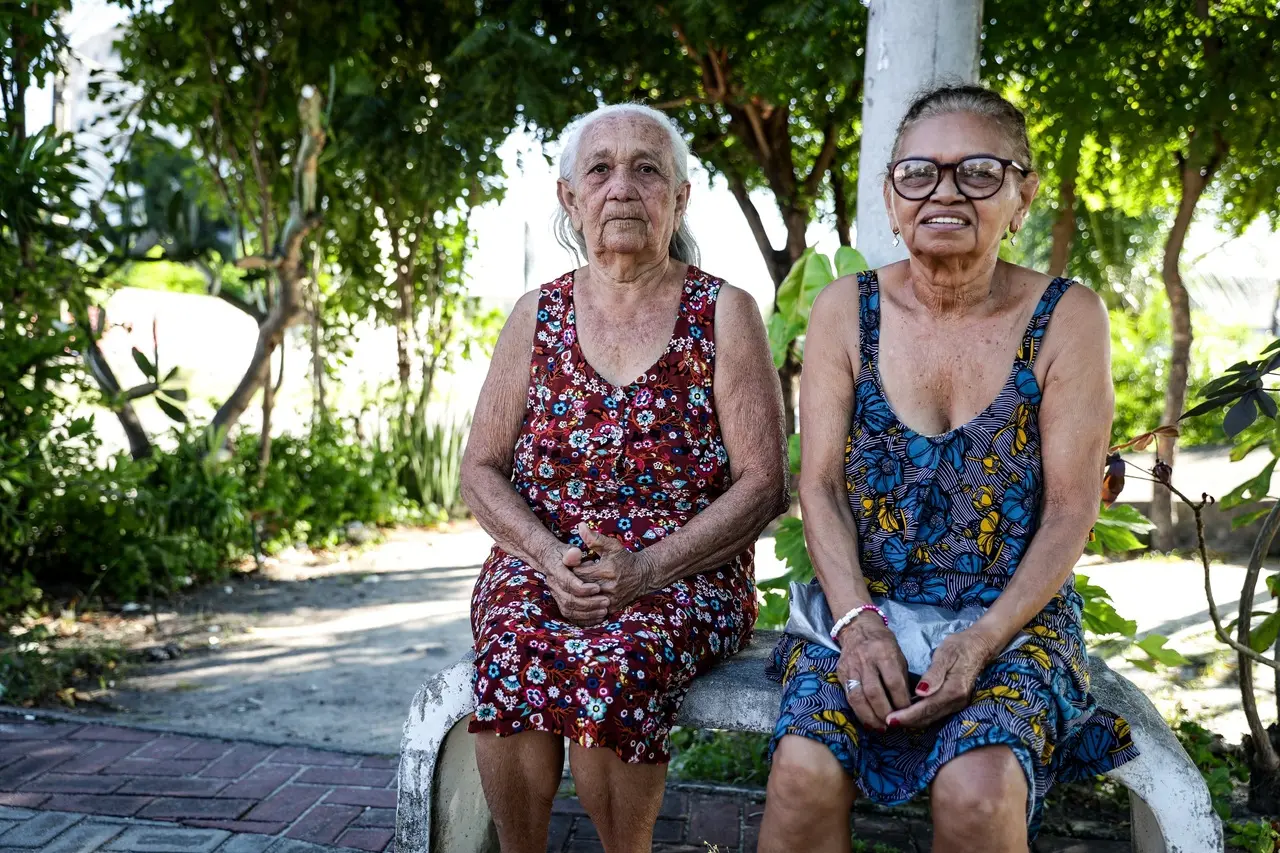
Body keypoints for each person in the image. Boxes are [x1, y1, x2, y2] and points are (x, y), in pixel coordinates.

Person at [759, 84, 1140, 853]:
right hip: (863, 610)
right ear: (891, 198)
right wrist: (857, 623)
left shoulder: (1067, 317)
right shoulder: (846, 310)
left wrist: (981, 640)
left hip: (1013, 620)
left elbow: (1072, 508)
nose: (944, 192)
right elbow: (819, 487)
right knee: (803, 773)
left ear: (1022, 195)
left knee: (979, 788)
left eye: (977, 172)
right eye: (919, 173)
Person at [460, 102, 788, 853]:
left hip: (686, 568)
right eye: (600, 170)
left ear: (680, 196)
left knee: (619, 661)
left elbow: (763, 483)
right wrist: (547, 556)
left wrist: (645, 569)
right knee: (511, 646)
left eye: (647, 169)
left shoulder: (724, 312)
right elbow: (479, 468)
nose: (622, 187)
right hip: (543, 560)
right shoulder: (535, 315)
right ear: (570, 197)